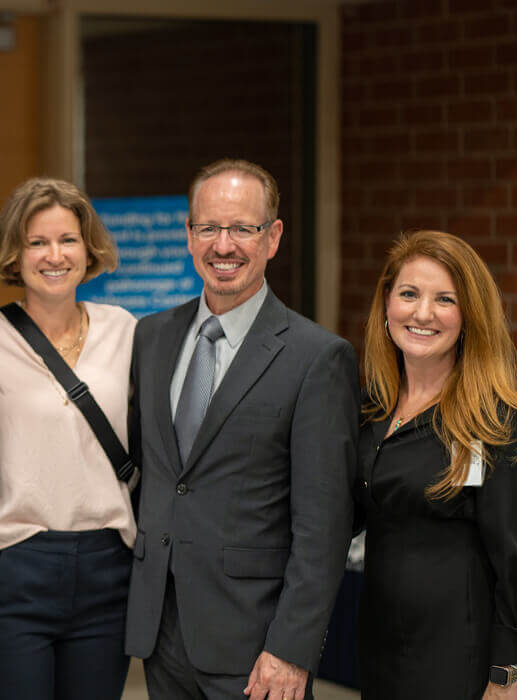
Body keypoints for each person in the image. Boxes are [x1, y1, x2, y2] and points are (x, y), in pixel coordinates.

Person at [125, 158, 359, 700]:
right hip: (161, 629)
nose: (223, 245)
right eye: (208, 227)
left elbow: (323, 528)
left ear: (272, 237)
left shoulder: (317, 358)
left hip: (257, 646)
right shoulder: (152, 337)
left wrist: (291, 649)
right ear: (189, 235)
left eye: (242, 229)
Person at [0, 178, 136, 699]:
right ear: (14, 254)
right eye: (37, 242)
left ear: (89, 250)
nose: (54, 255)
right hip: (14, 567)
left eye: (68, 240)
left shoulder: (126, 331)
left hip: (109, 568)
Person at [357, 229, 517, 700]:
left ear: (469, 316)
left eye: (445, 299)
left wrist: (506, 677)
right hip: (379, 651)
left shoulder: (498, 424)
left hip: (459, 663)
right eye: (409, 294)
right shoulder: (371, 411)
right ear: (386, 305)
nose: (422, 313)